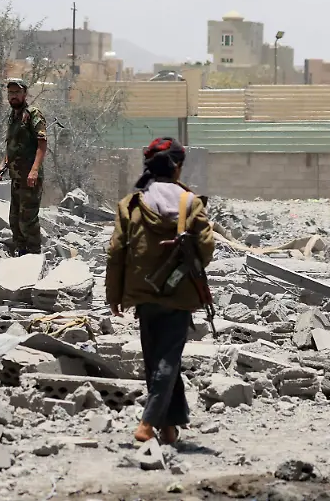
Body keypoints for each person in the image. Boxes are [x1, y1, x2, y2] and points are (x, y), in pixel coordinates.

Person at [106, 137, 214, 445]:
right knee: (168, 360)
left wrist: (114, 295)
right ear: (178, 167)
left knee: (157, 359)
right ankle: (148, 423)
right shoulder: (189, 203)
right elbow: (206, 248)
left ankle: (169, 429)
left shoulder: (131, 204)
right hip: (179, 295)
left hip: (143, 293)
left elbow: (116, 252)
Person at [0, 78, 47, 255]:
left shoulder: (32, 114)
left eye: (17, 92)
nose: (13, 96)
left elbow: (42, 144)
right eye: (10, 93)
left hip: (30, 178)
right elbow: (12, 147)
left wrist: (34, 170)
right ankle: (21, 254)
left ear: (24, 94)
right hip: (16, 177)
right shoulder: (13, 117)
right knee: (14, 220)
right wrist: (2, 166)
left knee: (27, 220)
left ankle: (34, 255)